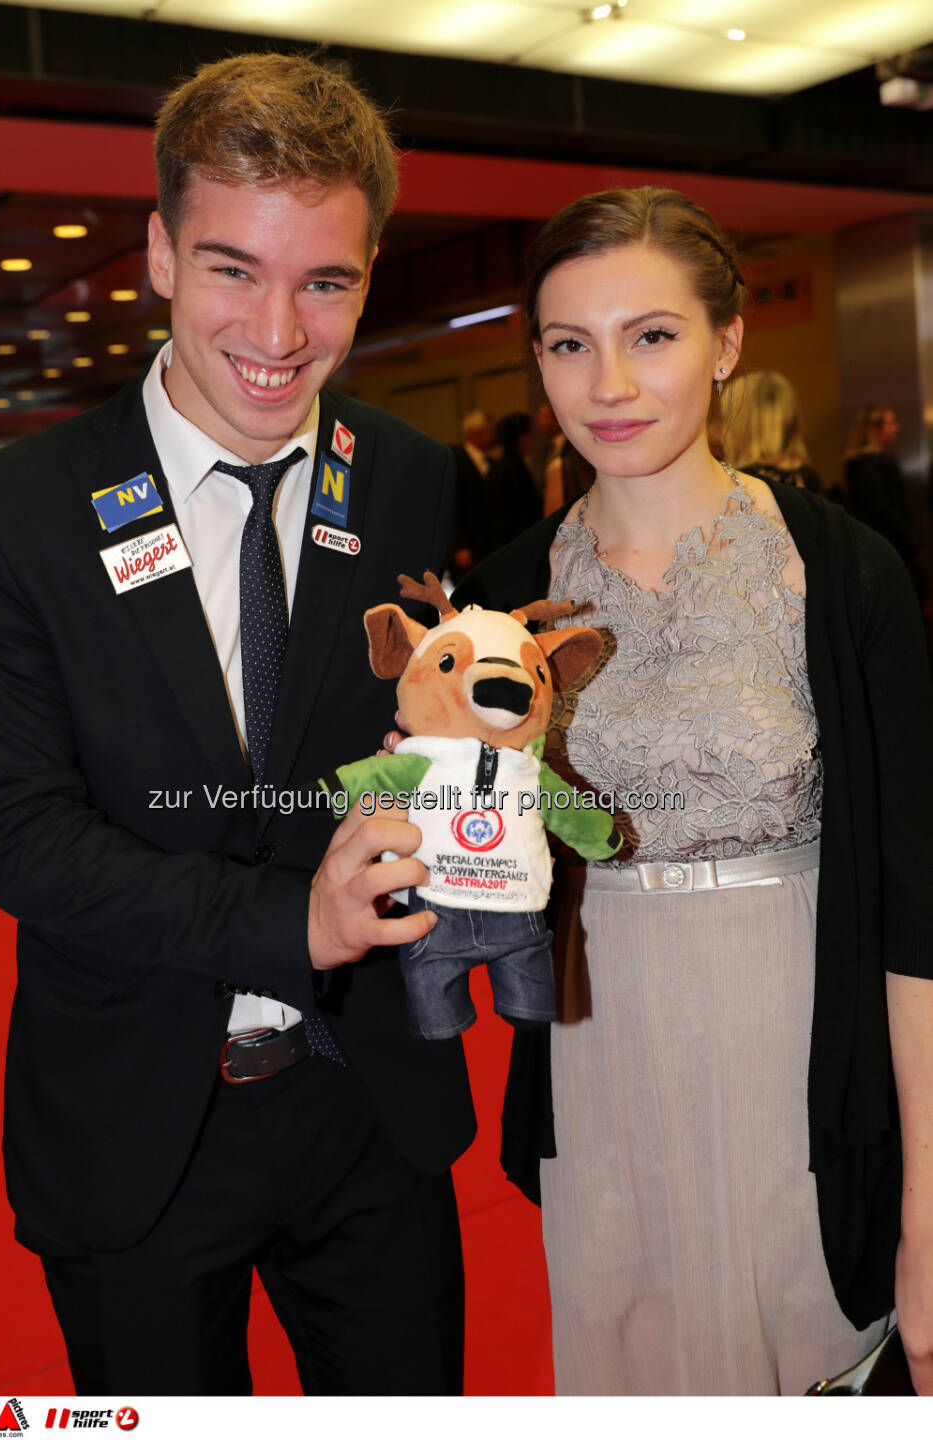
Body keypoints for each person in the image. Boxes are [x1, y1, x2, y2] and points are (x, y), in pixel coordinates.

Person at [0, 52, 475, 1397]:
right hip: (138, 1114)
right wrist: (284, 923)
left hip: (370, 1100)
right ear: (162, 255)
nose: (280, 333)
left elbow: (430, 730)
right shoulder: (21, 512)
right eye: (235, 268)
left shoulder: (407, 480)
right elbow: (14, 834)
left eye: (327, 281)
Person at [454, 187, 933, 1395]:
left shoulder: (841, 571)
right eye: (570, 344)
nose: (606, 382)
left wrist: (932, 1203)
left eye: (651, 336)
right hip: (598, 1049)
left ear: (727, 344)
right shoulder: (509, 590)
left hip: (805, 1048)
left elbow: (919, 908)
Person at [844, 405, 925, 603]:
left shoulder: (876, 463)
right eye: (891, 423)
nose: (897, 428)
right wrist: (911, 544)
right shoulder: (867, 467)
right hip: (886, 551)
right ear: (873, 429)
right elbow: (883, 513)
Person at [721, 369, 823, 493]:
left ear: (740, 425)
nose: (721, 428)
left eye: (725, 419)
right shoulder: (809, 478)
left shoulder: (737, 484)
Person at [448, 409, 496, 577]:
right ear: (472, 432)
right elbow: (452, 506)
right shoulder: (455, 461)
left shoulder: (492, 463)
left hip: (490, 544)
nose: (492, 436)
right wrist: (458, 546)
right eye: (486, 431)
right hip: (468, 543)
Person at [487, 412, 541, 548]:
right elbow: (524, 512)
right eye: (529, 434)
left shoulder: (500, 465)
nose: (532, 440)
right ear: (521, 438)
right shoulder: (514, 467)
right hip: (518, 541)